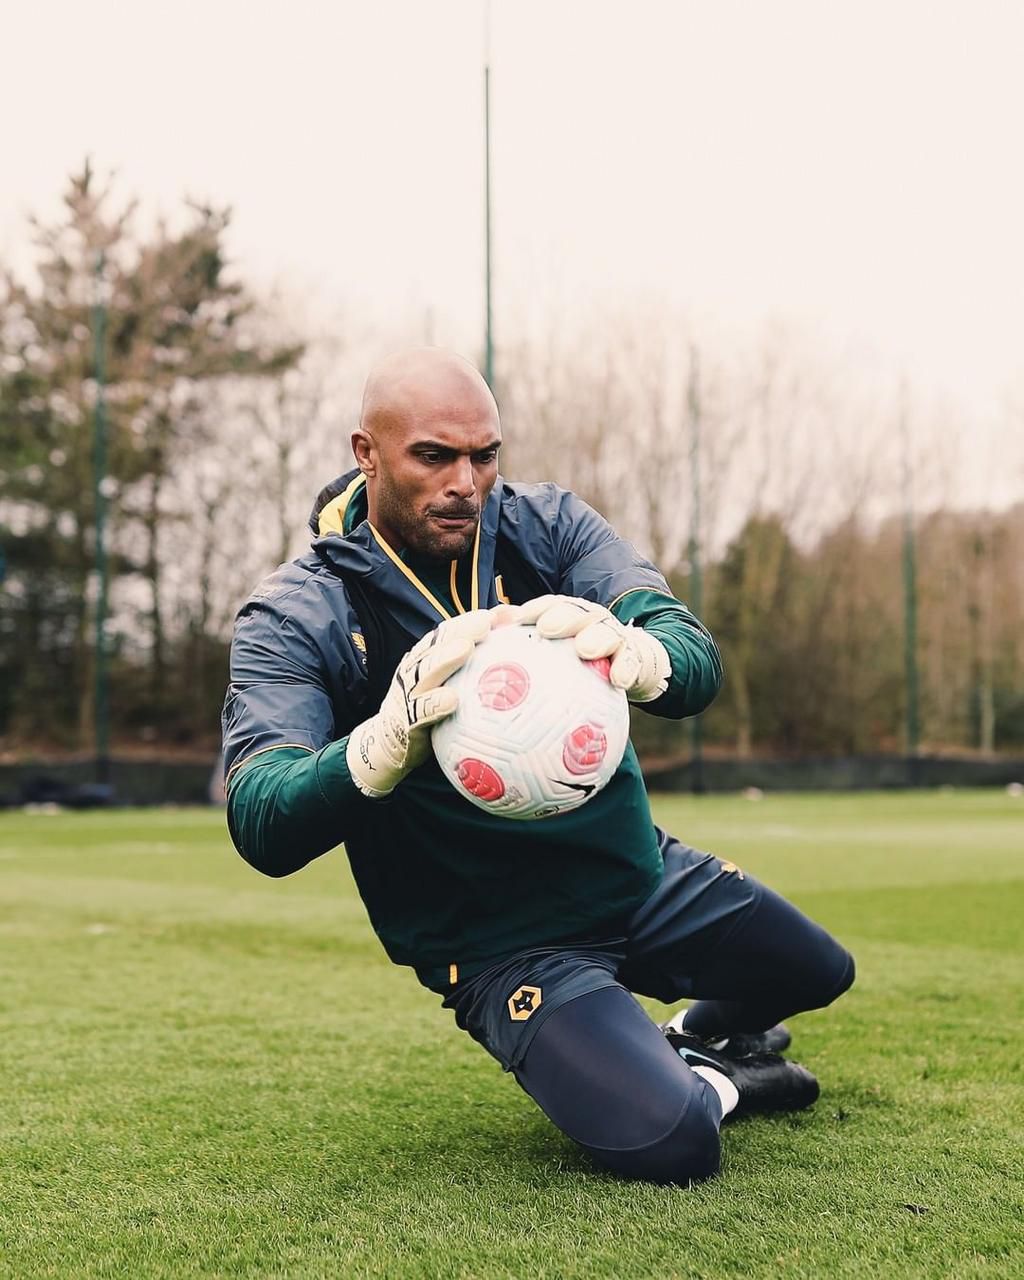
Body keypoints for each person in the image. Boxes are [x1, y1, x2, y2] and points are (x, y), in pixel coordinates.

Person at [222, 347, 854, 1185]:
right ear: (365, 453)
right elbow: (262, 818)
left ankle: (692, 1040)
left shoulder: (547, 528)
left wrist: (639, 653)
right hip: (501, 942)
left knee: (820, 969)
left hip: (634, 875)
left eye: (485, 455)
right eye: (434, 455)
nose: (466, 482)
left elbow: (688, 653)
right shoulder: (300, 614)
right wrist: (377, 745)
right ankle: (712, 1079)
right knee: (674, 1141)